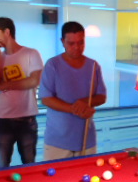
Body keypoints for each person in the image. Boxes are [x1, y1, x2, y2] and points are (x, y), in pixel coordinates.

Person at [40, 21, 107, 160]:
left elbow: (101, 96)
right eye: (71, 43)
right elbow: (46, 98)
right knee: (56, 175)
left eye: (81, 42)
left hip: (86, 139)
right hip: (58, 142)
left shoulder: (93, 65)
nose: (77, 47)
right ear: (62, 42)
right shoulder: (53, 65)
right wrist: (74, 109)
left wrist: (84, 102)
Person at [0, 17, 43, 168]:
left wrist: (5, 85)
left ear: (7, 32)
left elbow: (34, 81)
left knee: (29, 165)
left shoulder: (31, 54)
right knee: (2, 166)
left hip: (26, 119)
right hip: (3, 120)